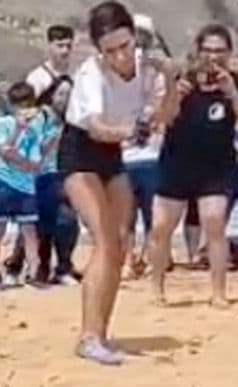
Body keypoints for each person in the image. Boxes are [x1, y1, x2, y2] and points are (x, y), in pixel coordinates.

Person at [63, 0, 161, 364]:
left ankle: (101, 331)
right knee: (103, 238)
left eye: (125, 46)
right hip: (81, 152)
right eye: (111, 51)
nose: (120, 56)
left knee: (120, 242)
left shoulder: (148, 70)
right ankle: (88, 336)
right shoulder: (91, 75)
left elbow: (165, 112)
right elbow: (98, 128)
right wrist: (130, 132)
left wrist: (169, 75)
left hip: (113, 155)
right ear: (99, 52)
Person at [148, 23, 238, 306]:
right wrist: (174, 91)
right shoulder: (184, 78)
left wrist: (232, 92)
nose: (213, 57)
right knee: (161, 227)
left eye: (220, 51)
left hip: (216, 166)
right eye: (208, 50)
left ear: (229, 53)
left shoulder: (235, 82)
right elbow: (162, 119)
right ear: (198, 52)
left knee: (215, 222)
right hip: (176, 161)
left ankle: (218, 292)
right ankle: (157, 287)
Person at [123, 14, 169, 280]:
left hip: (152, 153)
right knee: (126, 215)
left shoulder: (158, 72)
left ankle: (152, 259)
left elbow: (163, 107)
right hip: (125, 154)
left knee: (154, 215)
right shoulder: (115, 73)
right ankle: (129, 260)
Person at [0, 81, 45, 289]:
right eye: (19, 104)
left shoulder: (36, 127)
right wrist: (19, 129)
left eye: (27, 104)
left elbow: (37, 157)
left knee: (29, 228)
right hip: (3, 180)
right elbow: (4, 150)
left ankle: (33, 271)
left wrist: (32, 165)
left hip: (26, 185)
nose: (23, 109)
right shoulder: (3, 123)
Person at [31, 76, 80, 285]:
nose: (65, 100)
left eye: (69, 95)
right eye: (61, 94)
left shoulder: (76, 120)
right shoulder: (42, 118)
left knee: (68, 221)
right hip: (42, 176)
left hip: (67, 174)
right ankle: (42, 266)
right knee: (42, 224)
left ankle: (64, 265)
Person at [26, 23, 78, 98]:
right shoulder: (37, 77)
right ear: (49, 46)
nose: (65, 50)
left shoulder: (77, 74)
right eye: (60, 45)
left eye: (68, 46)